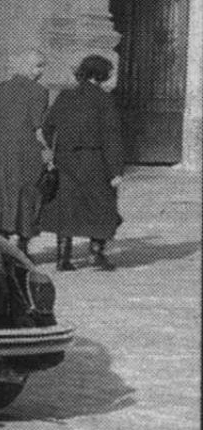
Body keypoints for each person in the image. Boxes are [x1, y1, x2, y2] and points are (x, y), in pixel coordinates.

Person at [38, 54, 123, 271]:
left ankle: (62, 258)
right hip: (94, 159)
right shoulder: (104, 100)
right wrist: (115, 170)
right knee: (102, 204)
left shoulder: (65, 96)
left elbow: (48, 127)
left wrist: (56, 150)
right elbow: (111, 136)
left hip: (65, 159)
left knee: (66, 205)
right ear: (101, 74)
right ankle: (96, 253)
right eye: (110, 73)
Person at [0, 48, 51, 257]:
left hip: (0, 148)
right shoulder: (39, 92)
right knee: (26, 193)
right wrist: (48, 151)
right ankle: (24, 243)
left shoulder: (0, 88)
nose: (42, 70)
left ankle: (1, 241)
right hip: (26, 149)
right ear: (27, 67)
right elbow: (39, 126)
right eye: (39, 65)